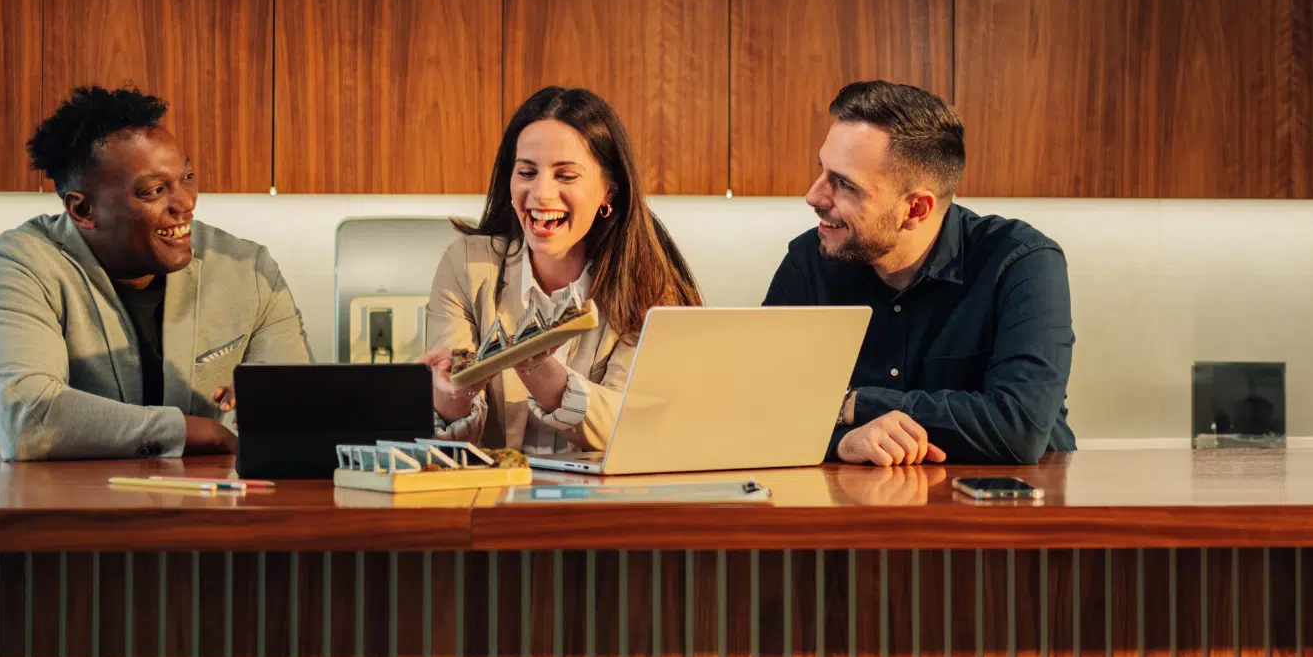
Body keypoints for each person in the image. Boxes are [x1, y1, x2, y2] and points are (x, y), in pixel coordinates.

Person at [0, 85, 312, 460]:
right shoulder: (15, 265)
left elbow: (299, 406)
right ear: (82, 211)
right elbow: (28, 419)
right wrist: (197, 432)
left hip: (209, 510)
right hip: (67, 513)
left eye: (188, 177)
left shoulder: (248, 269)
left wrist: (270, 401)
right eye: (154, 191)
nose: (186, 202)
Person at [763, 81, 1075, 465]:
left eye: (844, 184)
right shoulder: (808, 260)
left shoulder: (1020, 262)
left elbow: (1018, 427)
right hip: (854, 509)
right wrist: (841, 443)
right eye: (822, 171)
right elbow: (762, 410)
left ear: (916, 209)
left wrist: (853, 403)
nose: (814, 196)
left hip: (1009, 512)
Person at [418, 87, 701, 452]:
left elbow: (639, 427)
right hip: (495, 502)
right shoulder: (466, 265)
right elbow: (453, 445)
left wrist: (539, 371)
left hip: (611, 505)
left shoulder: (650, 283)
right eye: (527, 172)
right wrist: (451, 394)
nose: (540, 193)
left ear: (609, 192)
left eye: (565, 176)